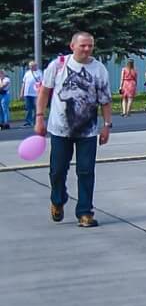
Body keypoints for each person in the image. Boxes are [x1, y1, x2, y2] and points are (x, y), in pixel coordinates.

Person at [34, 32, 113, 227]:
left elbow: (105, 100)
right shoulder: (58, 65)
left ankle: (85, 212)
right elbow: (44, 92)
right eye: (83, 46)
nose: (87, 49)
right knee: (57, 171)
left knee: (86, 171)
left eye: (90, 46)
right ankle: (58, 200)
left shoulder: (99, 69)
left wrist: (106, 126)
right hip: (60, 129)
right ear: (72, 46)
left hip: (88, 131)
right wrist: (39, 118)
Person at [19, 61, 39, 131]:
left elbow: (42, 83)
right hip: (27, 93)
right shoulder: (27, 73)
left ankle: (35, 122)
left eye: (32, 66)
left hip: (35, 94)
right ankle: (28, 122)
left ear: (35, 66)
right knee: (28, 108)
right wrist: (22, 93)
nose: (31, 67)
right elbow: (23, 83)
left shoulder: (39, 73)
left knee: (36, 108)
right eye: (30, 66)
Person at [0, 64, 11, 129]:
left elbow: (3, 86)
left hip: (5, 94)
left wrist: (1, 80)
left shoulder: (7, 79)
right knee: (0, 109)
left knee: (4, 108)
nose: (0, 74)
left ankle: (6, 123)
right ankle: (1, 123)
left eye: (1, 73)